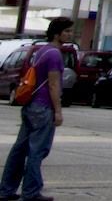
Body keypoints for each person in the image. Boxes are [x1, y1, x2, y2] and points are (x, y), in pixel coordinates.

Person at [1, 16, 70, 201]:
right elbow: (54, 85)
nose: (70, 34)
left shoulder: (41, 51)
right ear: (57, 34)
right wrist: (58, 111)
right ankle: (31, 192)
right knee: (37, 150)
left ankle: (6, 189)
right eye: (67, 31)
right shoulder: (55, 54)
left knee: (20, 149)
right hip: (43, 107)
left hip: (30, 105)